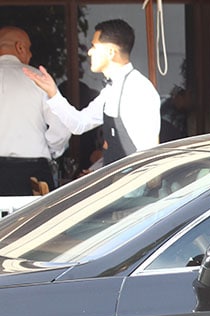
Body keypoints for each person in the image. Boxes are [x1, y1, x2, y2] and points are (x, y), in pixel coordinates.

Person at [23, 19, 160, 168]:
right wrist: (53, 93)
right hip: (118, 183)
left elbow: (147, 152)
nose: (89, 52)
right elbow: (79, 124)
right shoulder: (111, 89)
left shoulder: (137, 88)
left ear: (110, 52)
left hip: (134, 186)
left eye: (94, 46)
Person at [0, 26, 71, 195]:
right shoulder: (38, 79)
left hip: (30, 170)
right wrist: (52, 151)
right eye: (29, 49)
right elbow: (61, 128)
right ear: (20, 47)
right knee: (38, 221)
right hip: (31, 174)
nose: (30, 54)